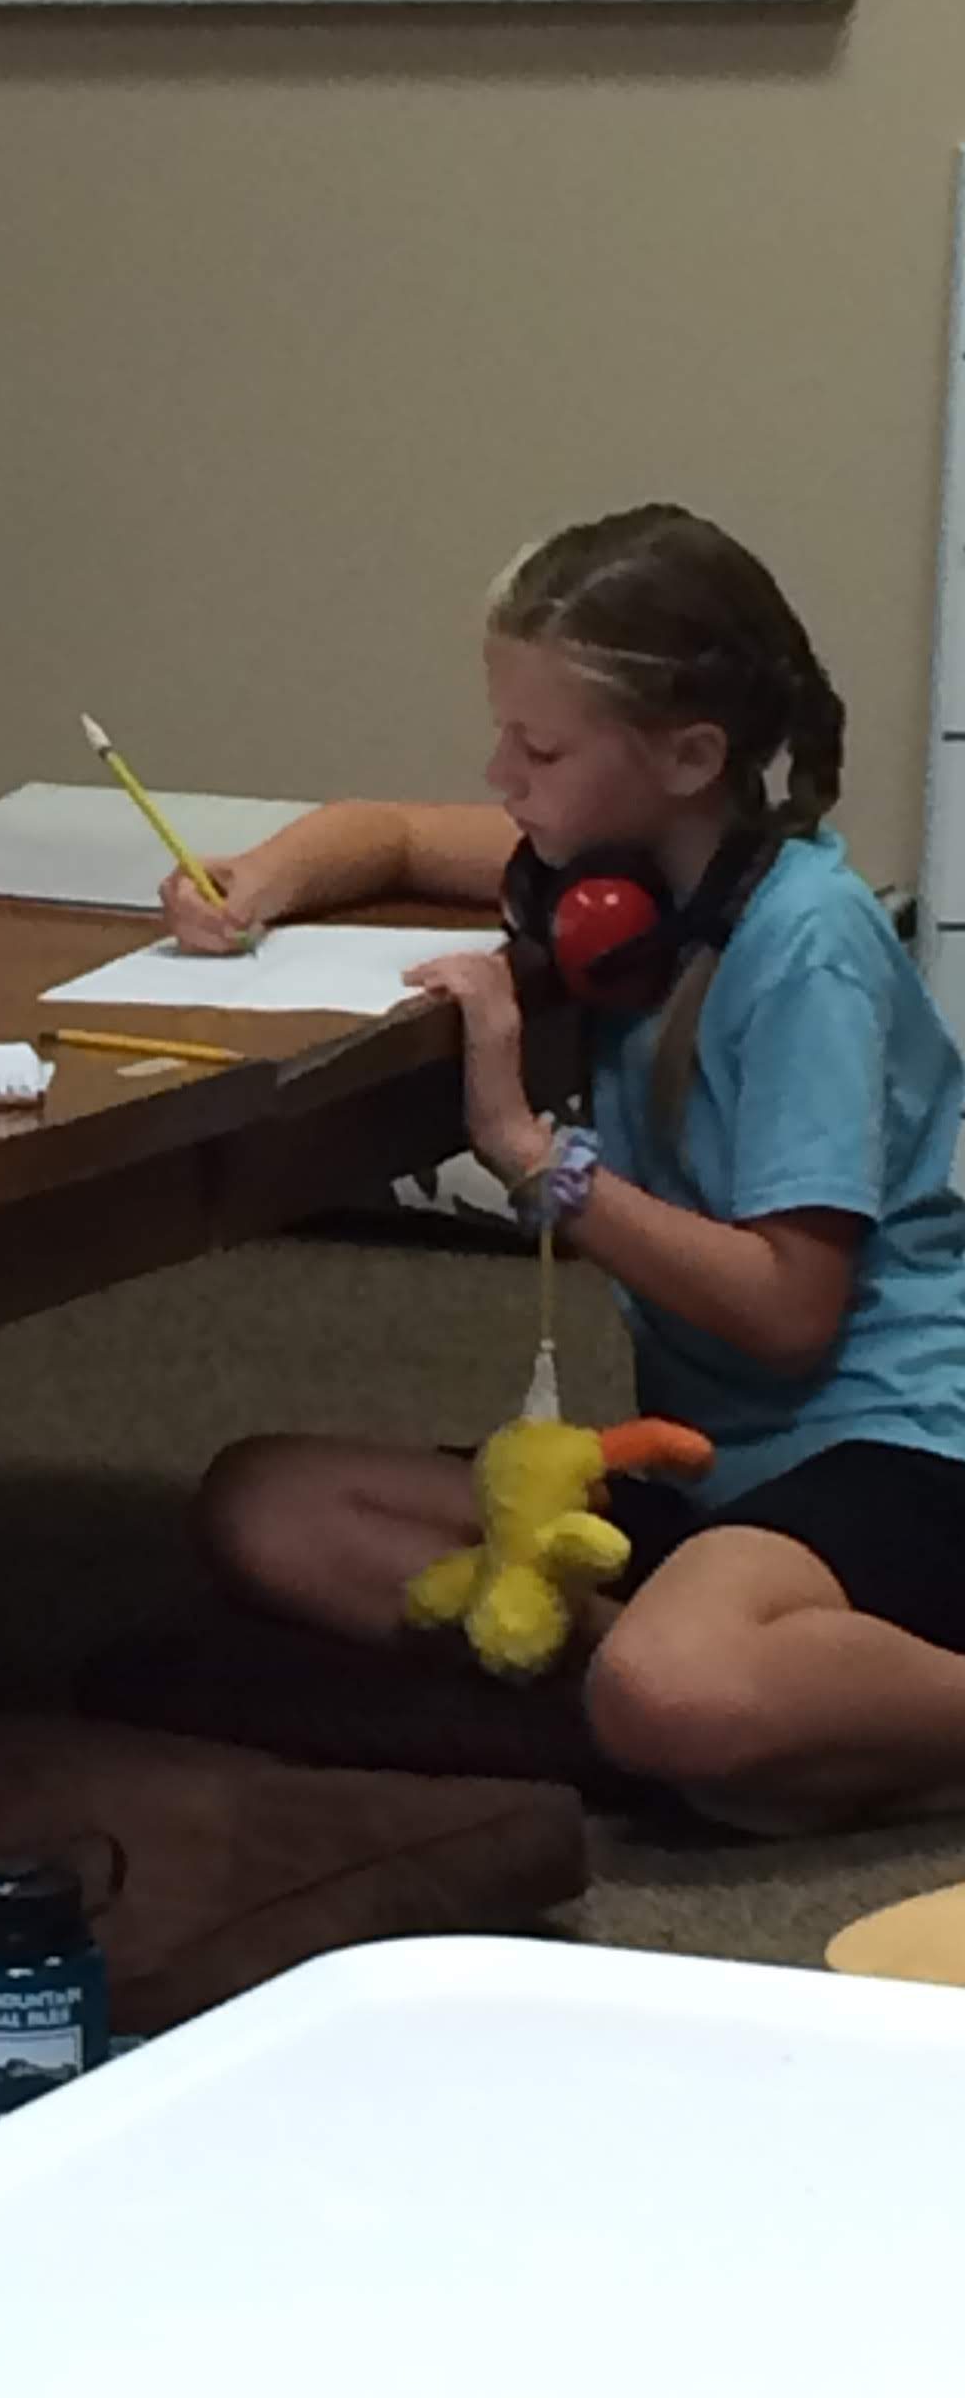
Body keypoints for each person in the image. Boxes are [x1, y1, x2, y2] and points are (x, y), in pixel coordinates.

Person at [171, 502, 965, 1831]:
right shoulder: (621, 885)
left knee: (672, 1687)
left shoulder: (807, 946)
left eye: (538, 749)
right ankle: (749, 1712)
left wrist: (533, 1155)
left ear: (690, 756)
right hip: (713, 1472)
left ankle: (709, 1702)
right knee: (266, 1507)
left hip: (901, 1446)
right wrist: (252, 885)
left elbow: (790, 1309)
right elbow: (392, 834)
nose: (503, 775)